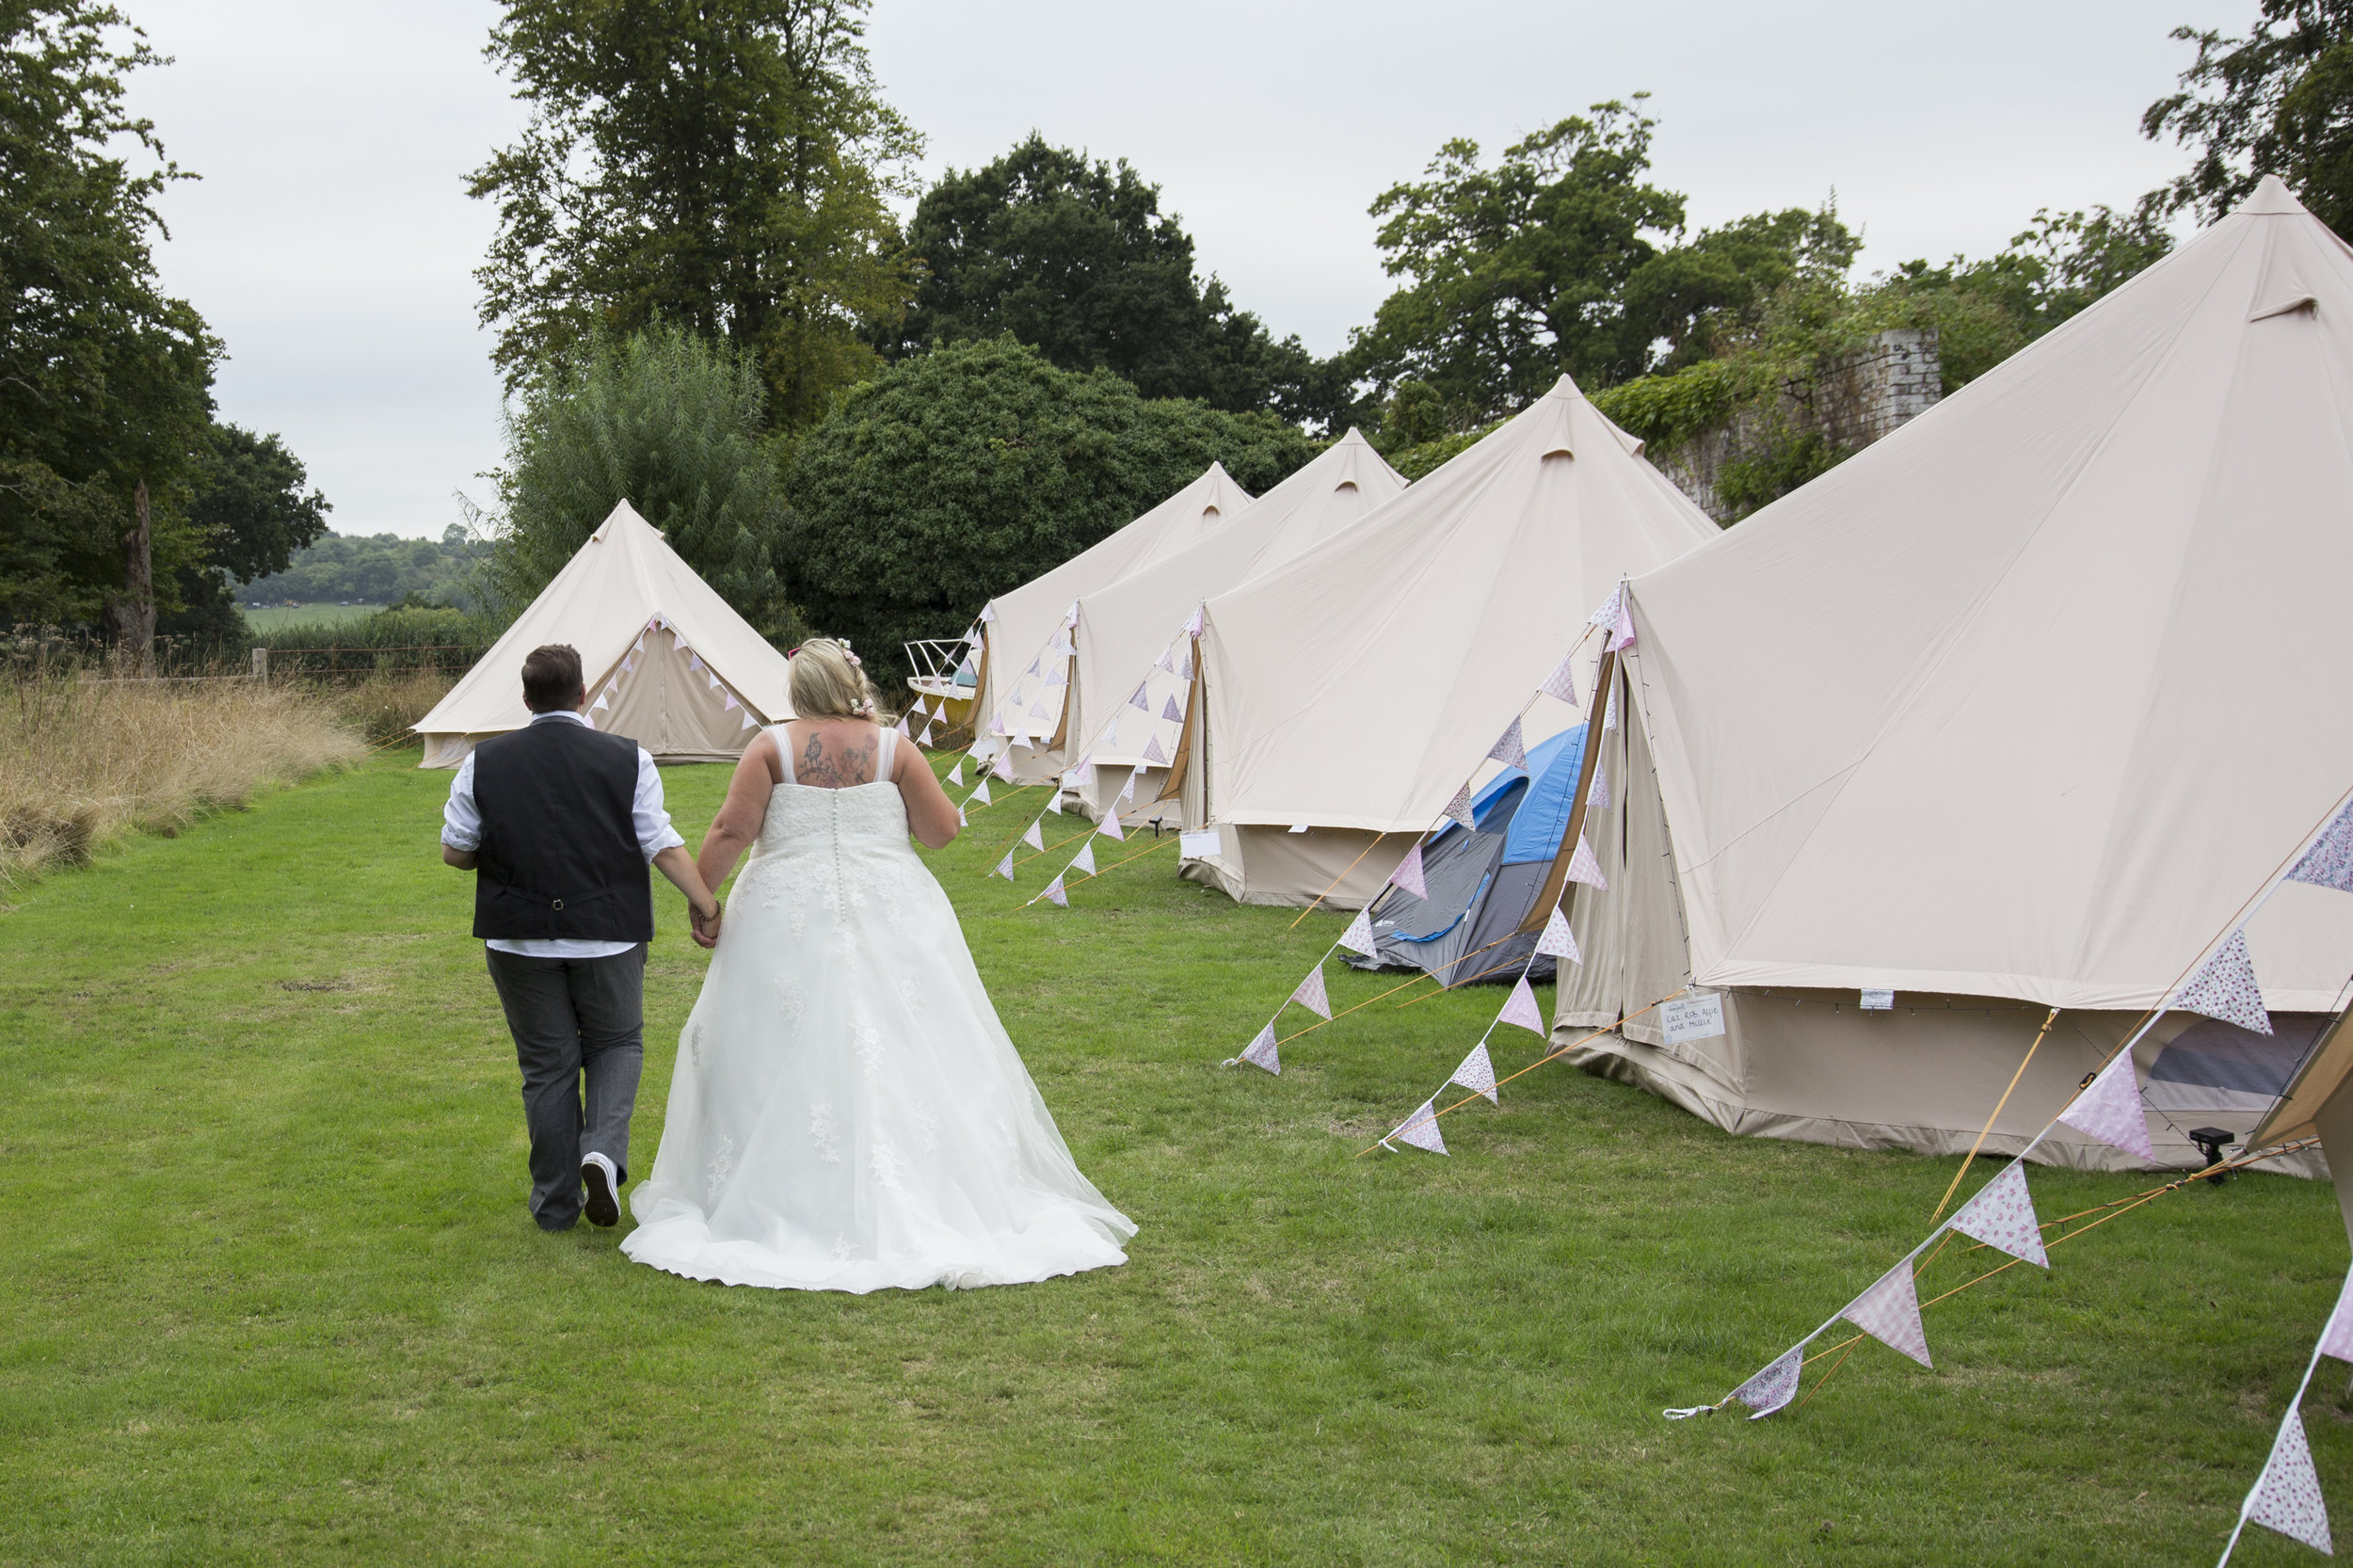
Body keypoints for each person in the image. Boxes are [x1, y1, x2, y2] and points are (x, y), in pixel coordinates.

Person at [620, 637, 1135, 1291]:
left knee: (777, 1042)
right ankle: (936, 1187)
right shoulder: (896, 749)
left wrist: (706, 899)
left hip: (786, 913)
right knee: (916, 1040)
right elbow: (942, 831)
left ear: (799, 691)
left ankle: (781, 1191)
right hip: (892, 907)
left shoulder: (770, 747)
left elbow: (730, 830)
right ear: (851, 682)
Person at [440, 643, 721, 1233]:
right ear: (584, 693)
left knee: (547, 1065)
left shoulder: (482, 761)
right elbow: (660, 843)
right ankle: (603, 1150)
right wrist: (705, 902)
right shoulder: (629, 758)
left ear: (525, 698)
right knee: (617, 1042)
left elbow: (455, 851)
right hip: (609, 933)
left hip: (517, 937)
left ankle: (554, 1203)